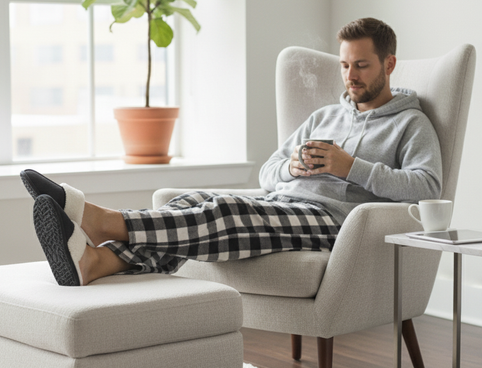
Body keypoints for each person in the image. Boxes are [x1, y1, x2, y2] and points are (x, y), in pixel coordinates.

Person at [24, 17, 442, 287]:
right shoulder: (326, 116)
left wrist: (352, 168)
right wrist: (292, 169)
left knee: (221, 212)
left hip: (334, 225)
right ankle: (96, 265)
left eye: (362, 66)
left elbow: (427, 188)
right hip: (286, 204)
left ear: (389, 65)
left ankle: (102, 221)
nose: (350, 76)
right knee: (194, 202)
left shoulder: (411, 123)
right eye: (344, 65)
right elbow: (269, 171)